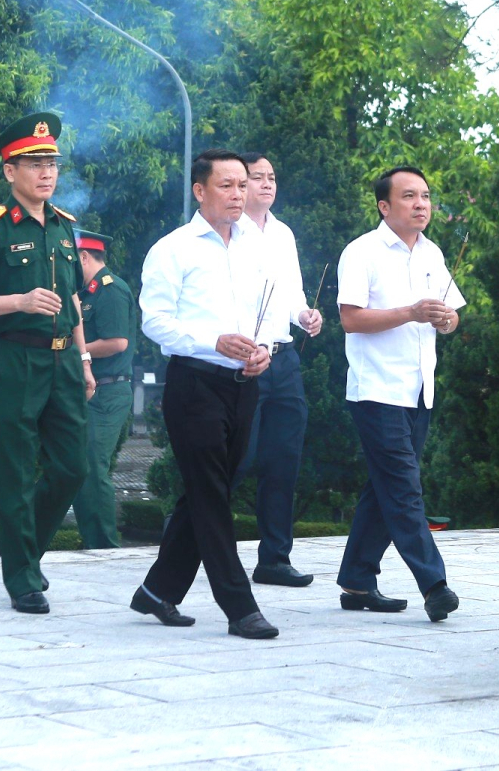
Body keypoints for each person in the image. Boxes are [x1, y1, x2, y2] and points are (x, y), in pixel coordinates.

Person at [131, 150, 278, 639]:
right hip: (194, 383)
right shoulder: (173, 248)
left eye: (244, 185)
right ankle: (239, 606)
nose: (239, 195)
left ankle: (157, 590)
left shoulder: (256, 246)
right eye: (228, 186)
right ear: (200, 191)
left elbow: (269, 310)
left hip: (245, 383)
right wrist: (210, 341)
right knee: (212, 496)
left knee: (210, 490)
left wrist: (267, 349)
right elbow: (154, 321)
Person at [0, 114, 95, 613]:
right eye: (34, 163)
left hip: (62, 364)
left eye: (51, 163)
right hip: (15, 359)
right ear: (9, 171)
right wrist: (18, 300)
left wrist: (83, 357)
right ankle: (22, 577)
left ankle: (17, 544)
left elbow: (73, 300)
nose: (46, 172)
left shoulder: (65, 227)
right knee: (14, 471)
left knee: (74, 466)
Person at [334, 166, 465, 621]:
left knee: (384, 488)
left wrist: (447, 320)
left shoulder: (432, 253)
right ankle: (435, 584)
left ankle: (356, 579)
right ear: (384, 206)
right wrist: (410, 312)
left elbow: (452, 316)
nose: (421, 204)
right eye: (409, 196)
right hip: (377, 389)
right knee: (405, 490)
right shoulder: (362, 252)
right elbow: (350, 318)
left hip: (419, 389)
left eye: (426, 196)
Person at [231, 153, 324, 586]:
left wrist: (306, 315)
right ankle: (194, 545)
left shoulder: (283, 233)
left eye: (272, 177)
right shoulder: (229, 232)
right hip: (243, 359)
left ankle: (274, 558)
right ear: (239, 184)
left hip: (283, 359)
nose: (267, 185)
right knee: (233, 459)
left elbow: (293, 293)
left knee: (283, 460)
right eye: (257, 178)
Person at [69, 229, 135, 550]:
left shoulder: (110, 290)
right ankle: (90, 540)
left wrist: (76, 350)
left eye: (71, 259)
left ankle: (104, 545)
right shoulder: (84, 295)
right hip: (87, 392)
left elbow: (116, 342)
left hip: (108, 392)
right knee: (76, 466)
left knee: (93, 465)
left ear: (84, 256)